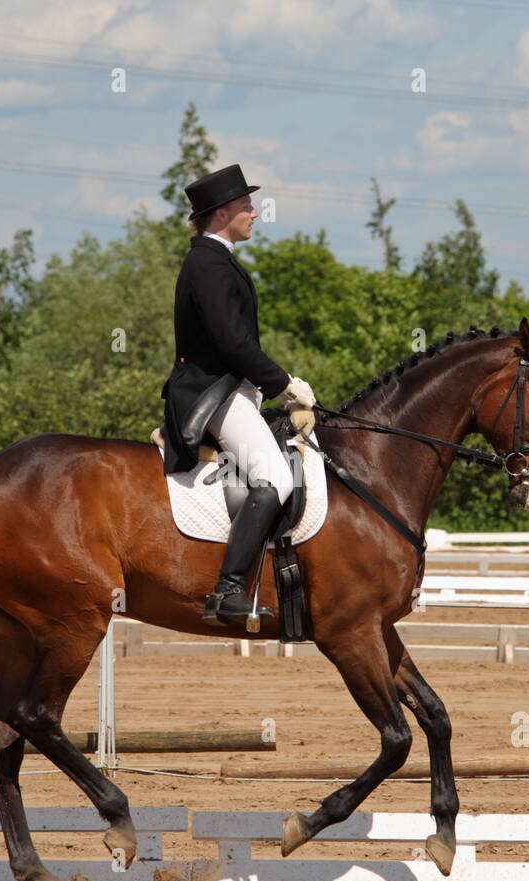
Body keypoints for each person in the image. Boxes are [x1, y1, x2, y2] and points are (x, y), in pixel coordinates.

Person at [160, 164, 317, 627]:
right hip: (212, 393)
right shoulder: (206, 263)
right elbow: (232, 343)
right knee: (276, 476)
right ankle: (228, 590)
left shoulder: (217, 259)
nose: (254, 213)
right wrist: (285, 384)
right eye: (246, 206)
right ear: (222, 212)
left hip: (233, 390)